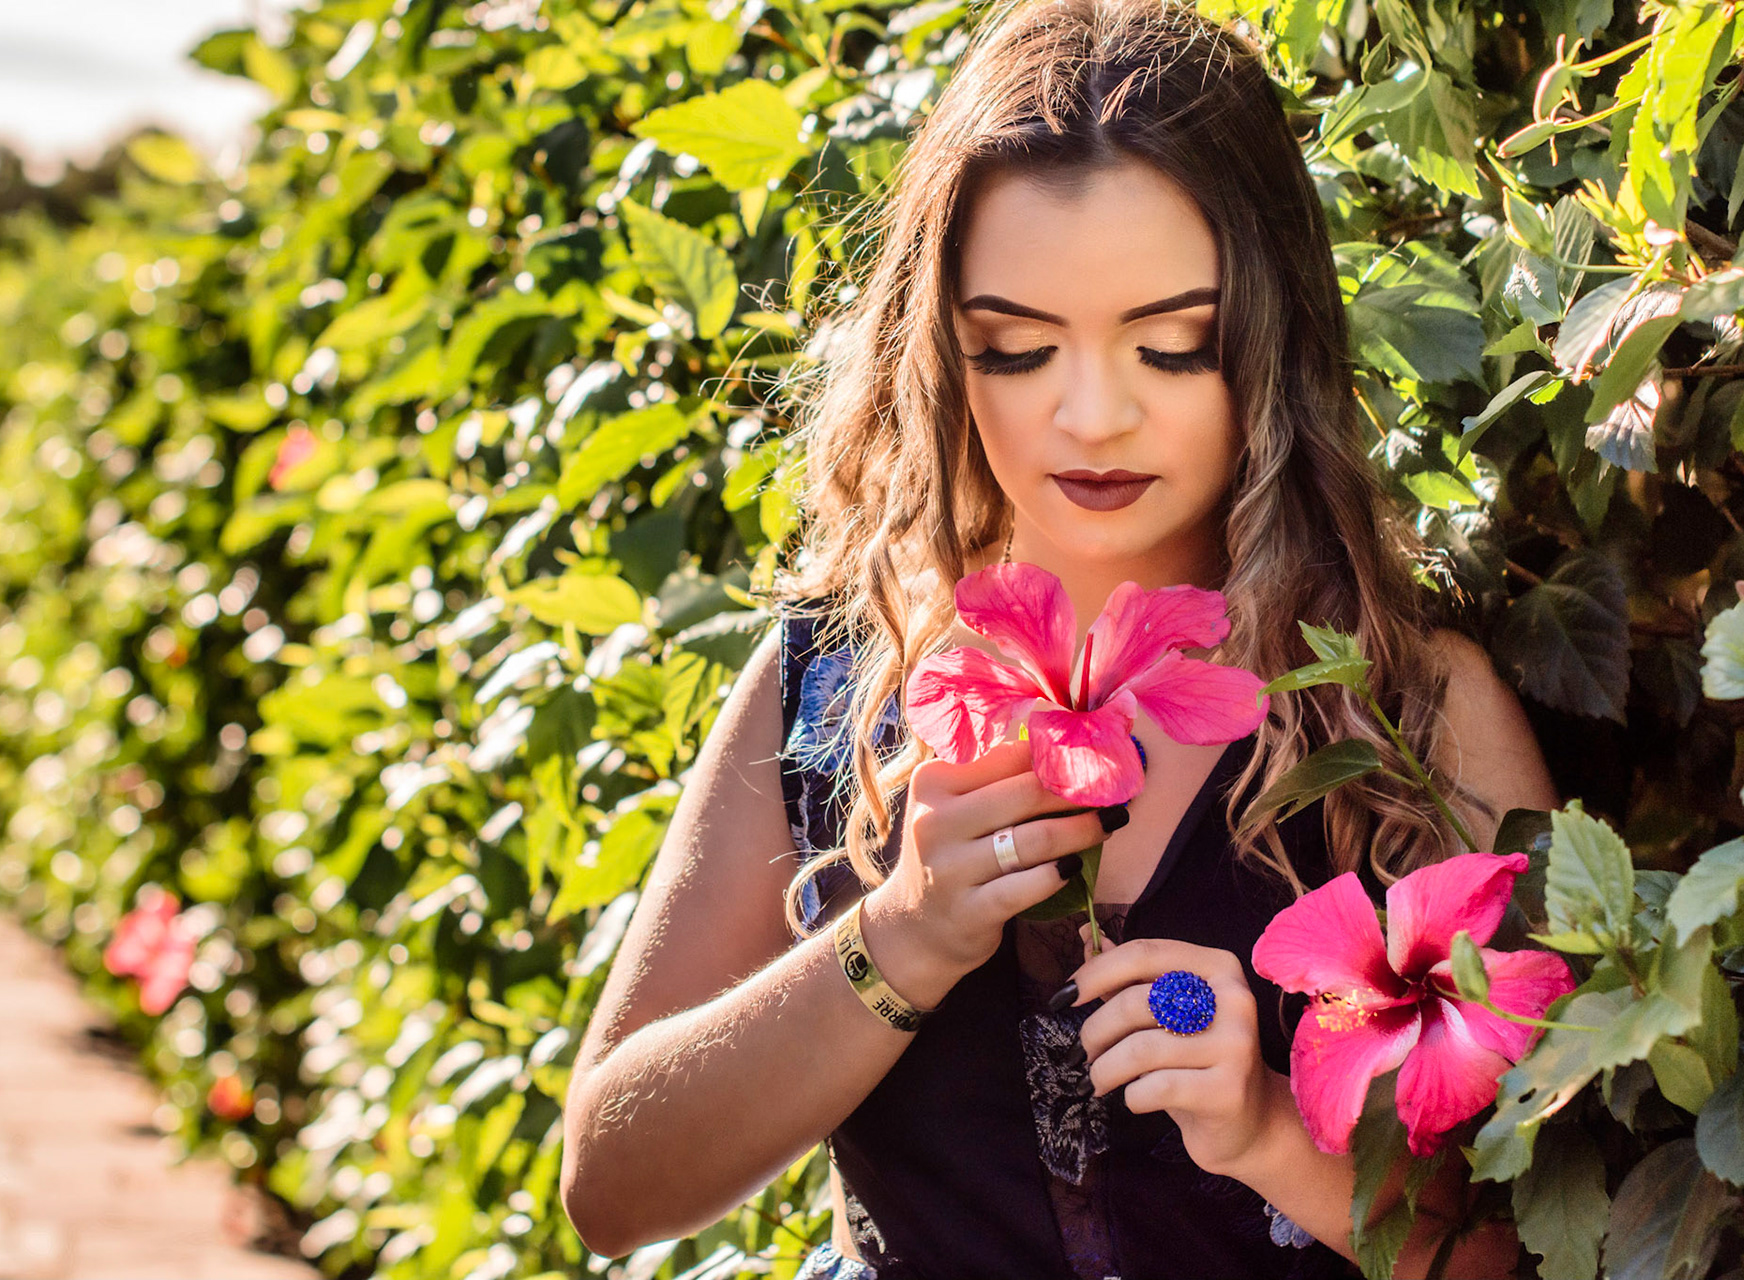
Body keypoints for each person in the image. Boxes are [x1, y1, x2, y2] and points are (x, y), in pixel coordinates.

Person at [560, 0, 1558, 1275]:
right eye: (1020, 349)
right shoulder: (832, 680)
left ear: (1269, 336)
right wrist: (898, 937)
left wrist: (1265, 1129)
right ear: (944, 354)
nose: (1093, 415)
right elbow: (609, 1184)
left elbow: (1532, 1250)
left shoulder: (1410, 712)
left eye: (1172, 343)